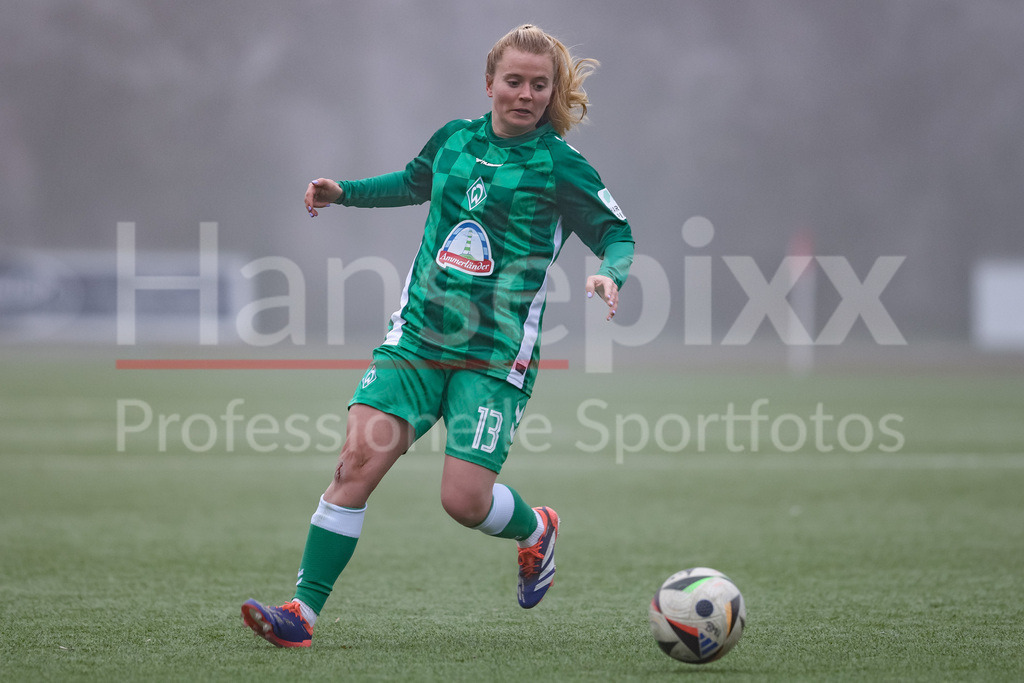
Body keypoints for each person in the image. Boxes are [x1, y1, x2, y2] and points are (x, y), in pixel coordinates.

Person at [241, 23, 635, 648]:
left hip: (492, 357)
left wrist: (611, 275)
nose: (526, 94)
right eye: (514, 81)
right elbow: (411, 182)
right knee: (355, 464)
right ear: (490, 84)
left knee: (464, 502)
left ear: (552, 92)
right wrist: (342, 193)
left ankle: (535, 530)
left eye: (540, 85)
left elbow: (617, 233)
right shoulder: (454, 139)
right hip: (416, 341)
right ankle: (302, 614)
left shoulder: (560, 165)